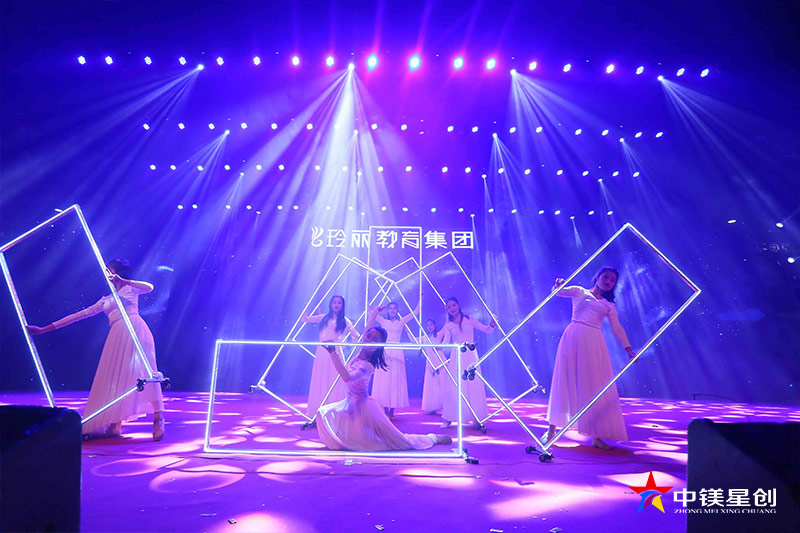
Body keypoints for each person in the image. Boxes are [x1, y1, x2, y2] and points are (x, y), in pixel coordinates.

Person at [27, 259, 165, 441]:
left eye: (109, 270)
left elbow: (149, 288)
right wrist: (45, 329)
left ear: (118, 271)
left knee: (146, 372)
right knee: (116, 379)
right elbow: (79, 315)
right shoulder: (105, 299)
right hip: (117, 335)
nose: (106, 273)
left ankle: (158, 417)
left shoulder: (130, 288)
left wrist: (124, 281)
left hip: (136, 330)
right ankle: (115, 424)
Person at [316, 320, 452, 451]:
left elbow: (347, 378)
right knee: (323, 413)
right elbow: (366, 330)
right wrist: (374, 313)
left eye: (374, 340)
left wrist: (333, 354)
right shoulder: (359, 354)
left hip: (361, 408)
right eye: (369, 336)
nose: (369, 340)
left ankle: (432, 438)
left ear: (379, 346)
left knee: (396, 440)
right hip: (349, 404)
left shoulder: (367, 365)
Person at [543, 267, 636, 450]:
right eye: (605, 277)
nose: (608, 282)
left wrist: (628, 349)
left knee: (594, 385)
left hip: (594, 343)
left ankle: (596, 436)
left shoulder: (608, 306)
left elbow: (617, 328)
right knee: (564, 379)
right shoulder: (579, 291)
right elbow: (558, 292)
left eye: (612, 280)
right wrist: (558, 284)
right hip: (573, 337)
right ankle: (551, 430)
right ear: (597, 276)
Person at [300, 295, 361, 426]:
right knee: (320, 380)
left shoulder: (344, 320)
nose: (336, 305)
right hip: (322, 352)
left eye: (339, 303)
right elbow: (304, 319)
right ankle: (317, 416)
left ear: (342, 305)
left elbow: (356, 335)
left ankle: (336, 417)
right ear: (331, 304)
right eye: (334, 302)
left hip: (335, 352)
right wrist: (305, 308)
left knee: (335, 382)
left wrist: (344, 346)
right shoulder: (323, 317)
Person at [440, 297, 496, 429]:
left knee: (473, 385)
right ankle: (448, 417)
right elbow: (445, 343)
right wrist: (436, 347)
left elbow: (486, 330)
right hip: (457, 356)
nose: (452, 308)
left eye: (454, 305)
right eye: (449, 307)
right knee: (454, 386)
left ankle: (476, 418)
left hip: (471, 355)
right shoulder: (448, 325)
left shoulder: (469, 319)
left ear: (458, 305)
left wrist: (492, 324)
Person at [371, 298, 421, 418]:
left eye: (394, 308)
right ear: (388, 310)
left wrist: (420, 298)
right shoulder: (383, 321)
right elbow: (370, 313)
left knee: (396, 380)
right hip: (385, 351)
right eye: (390, 308)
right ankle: (385, 409)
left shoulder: (401, 321)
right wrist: (367, 297)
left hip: (397, 351)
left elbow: (416, 312)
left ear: (397, 310)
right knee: (385, 379)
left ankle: (392, 410)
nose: (392, 310)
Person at [411, 318, 446, 414]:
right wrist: (406, 328)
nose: (430, 327)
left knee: (441, 384)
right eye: (428, 325)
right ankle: (433, 408)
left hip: (440, 361)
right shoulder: (424, 338)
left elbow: (446, 325)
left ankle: (444, 407)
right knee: (432, 385)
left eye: (431, 324)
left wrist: (447, 314)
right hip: (430, 363)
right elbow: (412, 339)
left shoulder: (438, 335)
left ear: (435, 325)